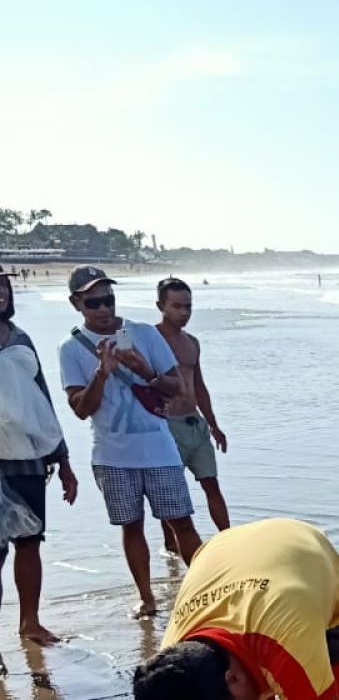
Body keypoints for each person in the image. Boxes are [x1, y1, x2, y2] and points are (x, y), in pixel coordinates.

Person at [57, 265, 202, 617]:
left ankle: (206, 590)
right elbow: (80, 409)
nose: (104, 309)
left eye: (109, 299)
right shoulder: (71, 348)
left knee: (181, 522)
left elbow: (175, 388)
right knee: (131, 525)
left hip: (159, 448)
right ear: (77, 303)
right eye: (94, 303)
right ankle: (146, 598)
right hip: (112, 455)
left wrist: (143, 369)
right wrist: (101, 374)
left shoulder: (143, 334)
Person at [133, 517, 339, 700]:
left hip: (297, 547)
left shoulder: (289, 643)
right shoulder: (173, 664)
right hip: (220, 552)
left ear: (233, 680)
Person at [0, 271, 79, 644]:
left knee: (30, 542)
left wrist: (61, 458)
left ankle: (29, 622)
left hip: (28, 460)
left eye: (3, 287)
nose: (0, 293)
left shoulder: (21, 338)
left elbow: (41, 399)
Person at [154, 278, 231, 554]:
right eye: (177, 306)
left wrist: (213, 424)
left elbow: (198, 385)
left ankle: (229, 540)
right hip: (166, 425)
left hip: (193, 422)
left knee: (211, 482)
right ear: (161, 306)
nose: (184, 312)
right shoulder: (151, 341)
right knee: (170, 492)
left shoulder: (192, 343)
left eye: (188, 306)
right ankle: (172, 547)